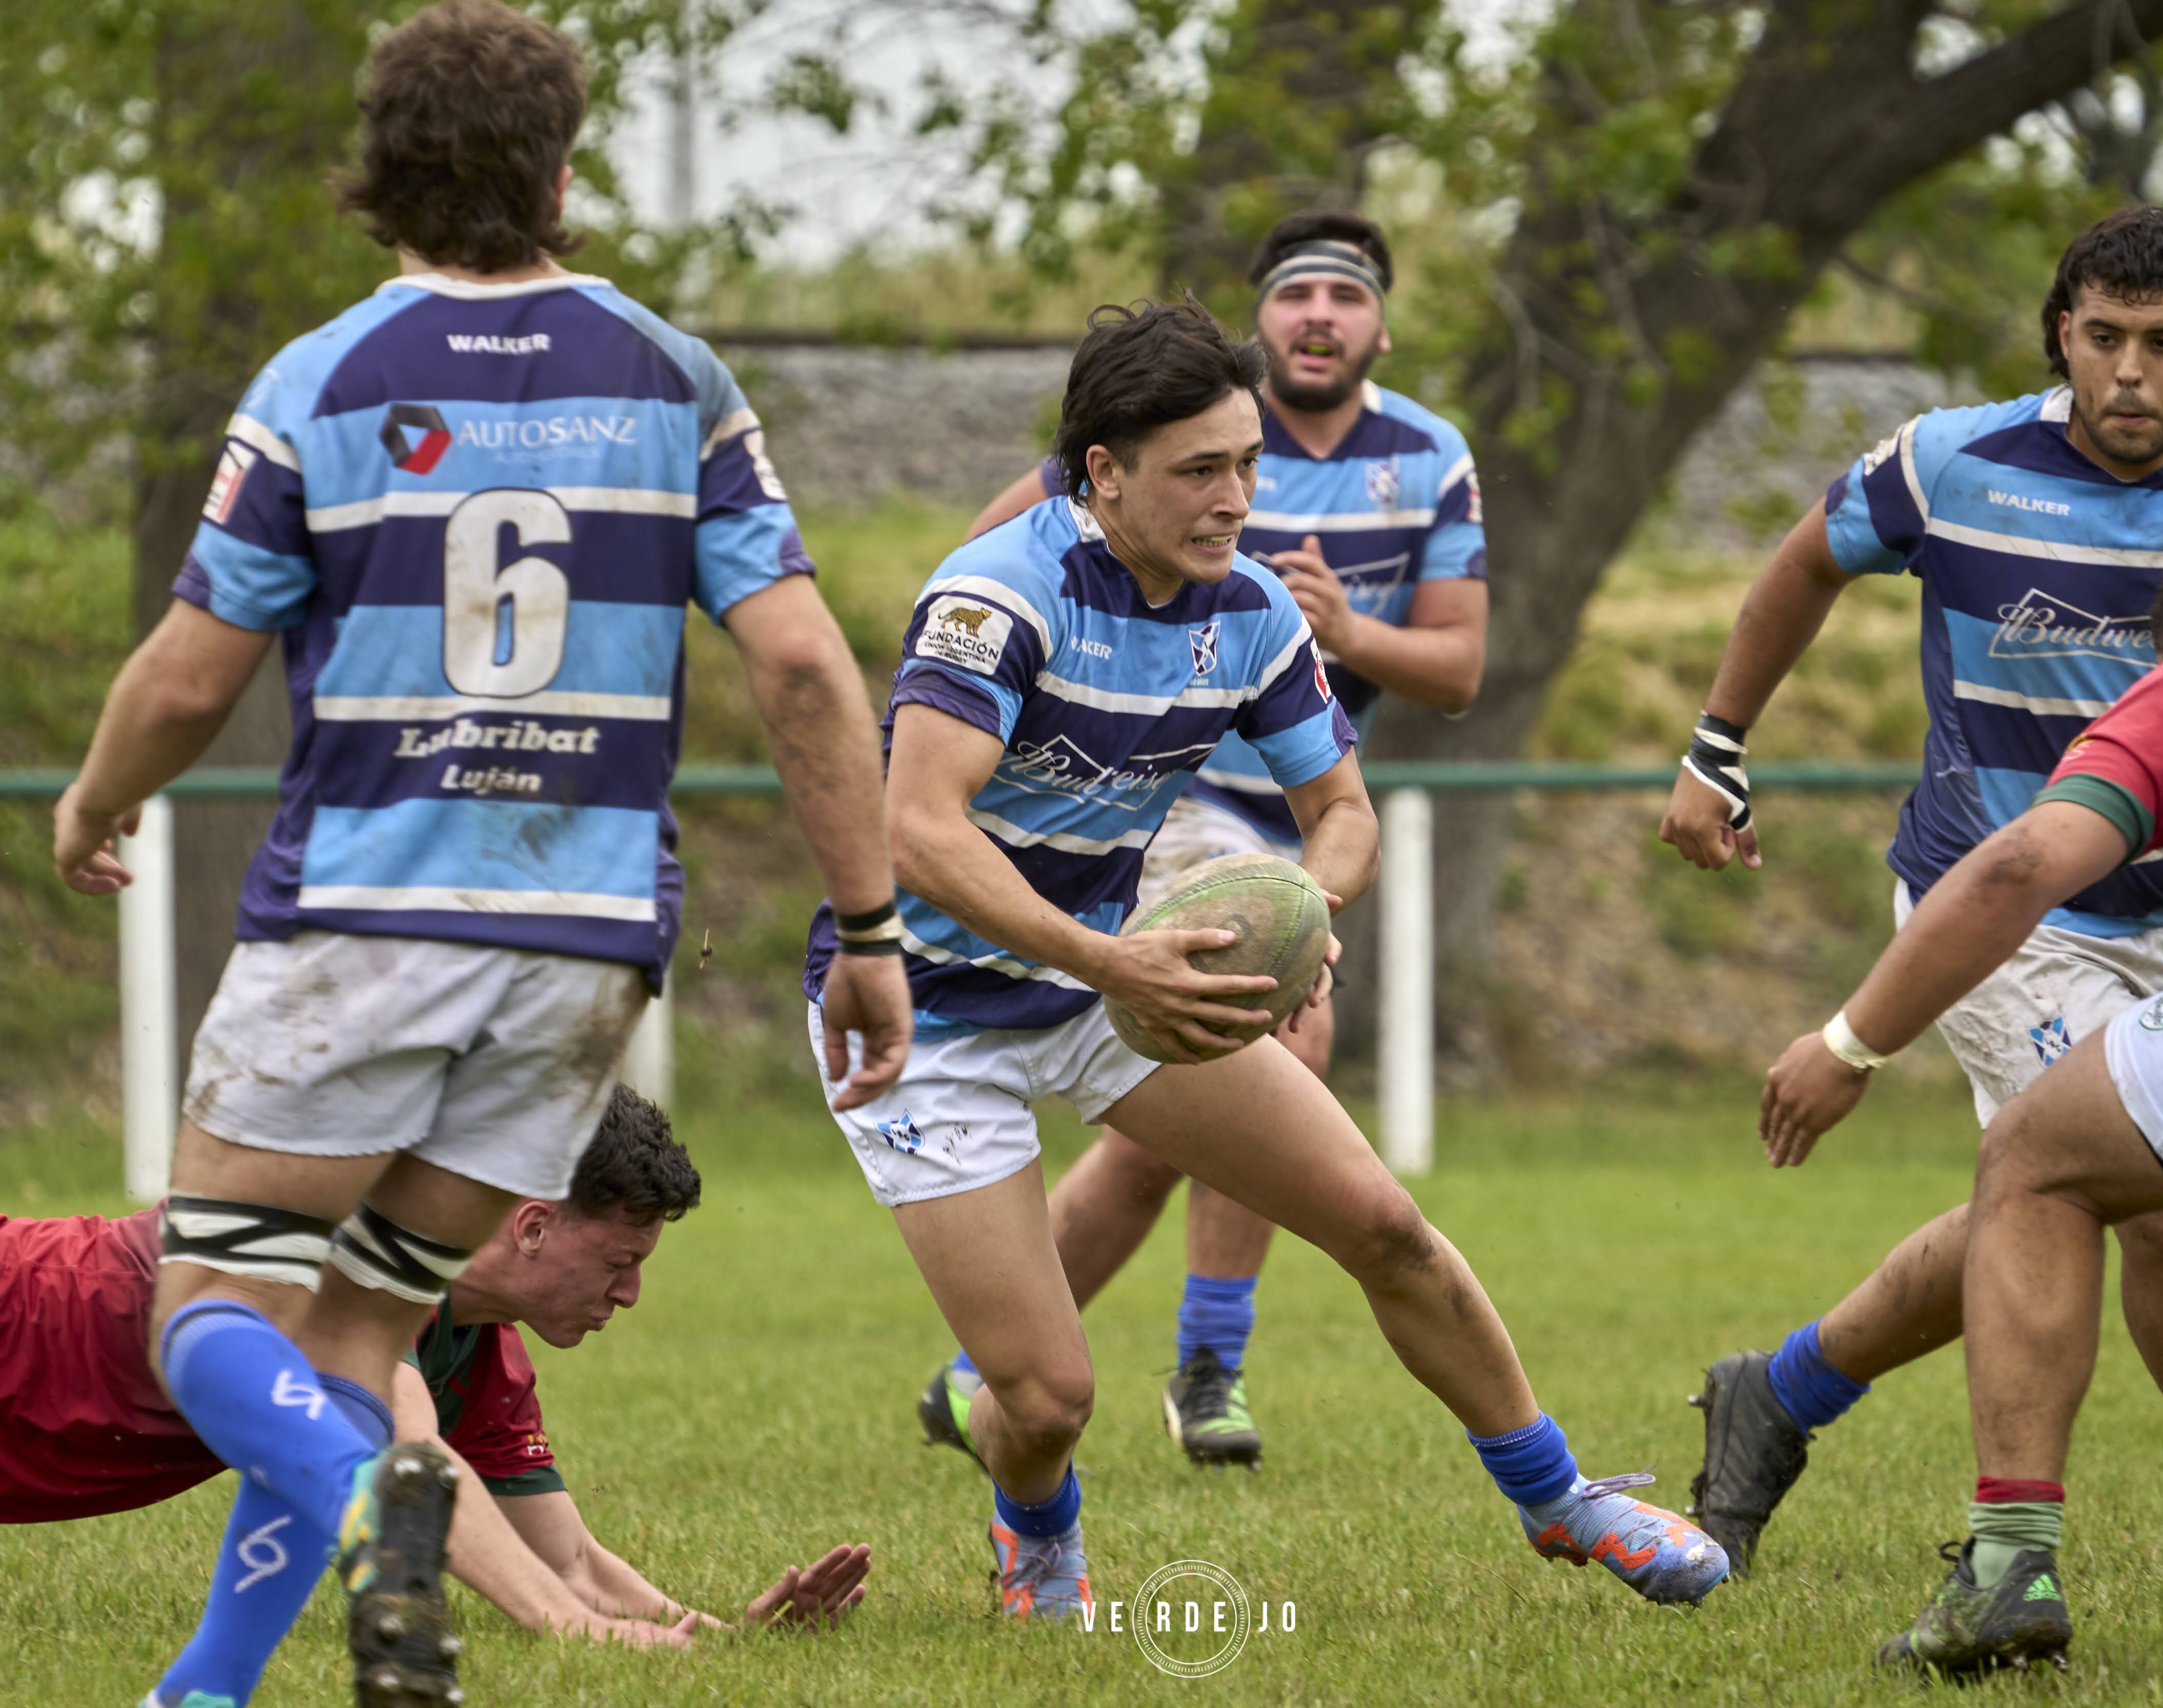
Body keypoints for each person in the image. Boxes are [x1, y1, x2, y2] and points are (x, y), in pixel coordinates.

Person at [47, 6, 909, 1704]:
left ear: (378, 179)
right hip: (588, 944)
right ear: (563, 173)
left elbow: (191, 671)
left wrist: (94, 800)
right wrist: (869, 926)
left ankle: (383, 1526)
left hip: (366, 914)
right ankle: (203, 1692)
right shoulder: (676, 380)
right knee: (361, 1333)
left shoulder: (322, 382)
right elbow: (805, 666)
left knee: (210, 1307)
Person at [807, 295, 1722, 1625]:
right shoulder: (997, 595)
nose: (1237, 497)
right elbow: (916, 828)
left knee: (1386, 1227)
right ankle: (1038, 1535)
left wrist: (1300, 904)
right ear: (1103, 473)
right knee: (1050, 1397)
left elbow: (1343, 814)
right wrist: (1110, 961)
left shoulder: (1248, 612)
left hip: (1109, 977)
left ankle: (1564, 1501)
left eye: (1247, 464)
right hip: (920, 1014)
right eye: (1200, 471)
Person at [1661, 205, 2163, 1574]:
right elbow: (1806, 556)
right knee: (2144, 1195)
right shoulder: (1950, 460)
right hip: (1992, 898)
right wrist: (1717, 745)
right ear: (2063, 332)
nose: (2127, 373)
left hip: (2160, 907)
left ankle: (1785, 1390)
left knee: (2122, 1199)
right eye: (2102, 336)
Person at [1760, 521, 2163, 1672]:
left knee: (2035, 1158)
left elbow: (2012, 866)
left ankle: (2006, 1567)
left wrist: (1849, 1044)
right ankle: (1788, 1390)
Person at [935, 210, 1487, 1469]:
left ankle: (1007, 1365)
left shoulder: (1430, 455)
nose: (1318, 316)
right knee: (1267, 1016)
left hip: (1289, 795)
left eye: (1344, 298)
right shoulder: (1161, 426)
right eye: (1294, 294)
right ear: (1263, 323)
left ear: (1377, 327)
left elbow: (1458, 670)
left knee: (1166, 1124)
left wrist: (1346, 634)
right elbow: (979, 573)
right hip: (1162, 788)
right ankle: (1202, 1361)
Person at [0, 1086, 871, 1645]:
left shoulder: (479, 1346)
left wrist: (717, 1637)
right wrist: (565, 1629)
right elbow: (407, 1468)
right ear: (531, 1227)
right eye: (618, 1262)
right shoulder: (342, 1254)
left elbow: (569, 1562)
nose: (633, 1294)